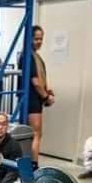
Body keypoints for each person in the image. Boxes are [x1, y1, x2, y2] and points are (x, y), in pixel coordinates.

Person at [19, 25, 54, 167]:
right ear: (29, 39)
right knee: (36, 133)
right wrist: (46, 97)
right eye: (36, 39)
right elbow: (35, 82)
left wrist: (47, 91)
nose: (39, 42)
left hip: (34, 99)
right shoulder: (28, 57)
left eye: (41, 39)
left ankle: (31, 162)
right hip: (31, 99)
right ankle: (33, 164)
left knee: (33, 133)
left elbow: (40, 79)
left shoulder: (35, 56)